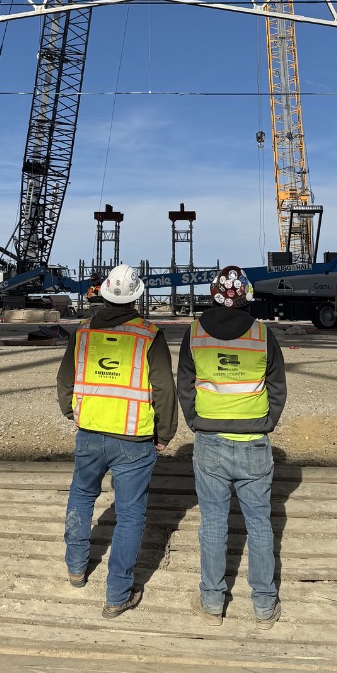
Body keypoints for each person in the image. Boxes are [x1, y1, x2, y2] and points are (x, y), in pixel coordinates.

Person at [56, 262, 177, 618]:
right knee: (130, 514)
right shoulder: (148, 335)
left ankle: (76, 569)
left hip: (90, 433)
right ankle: (116, 594)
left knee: (81, 495)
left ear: (104, 293)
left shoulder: (82, 333)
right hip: (134, 439)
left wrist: (73, 413)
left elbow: (65, 382)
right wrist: (165, 433)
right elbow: (164, 389)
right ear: (137, 298)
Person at [176, 265, 287, 628]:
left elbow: (185, 385)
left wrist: (196, 422)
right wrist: (265, 422)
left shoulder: (195, 333)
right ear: (246, 296)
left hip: (209, 441)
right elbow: (277, 386)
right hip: (255, 440)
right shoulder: (261, 334)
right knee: (259, 524)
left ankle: (212, 604)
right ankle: (264, 607)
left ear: (213, 293)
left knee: (212, 524)